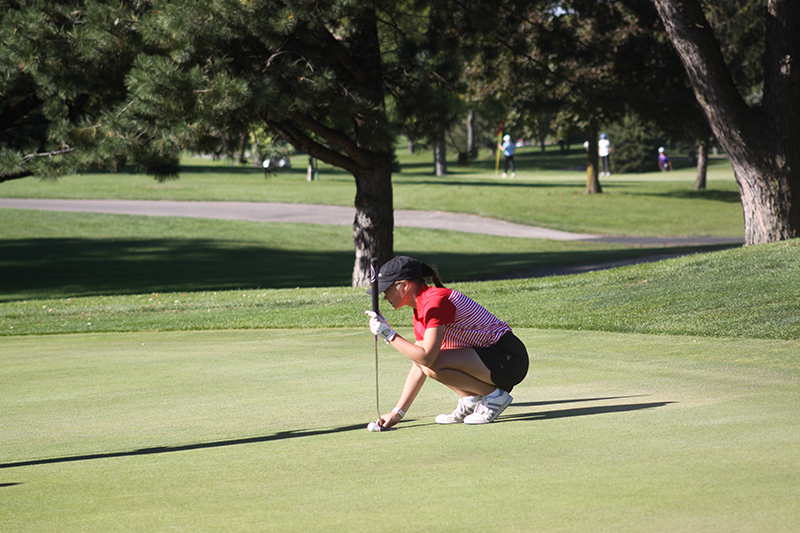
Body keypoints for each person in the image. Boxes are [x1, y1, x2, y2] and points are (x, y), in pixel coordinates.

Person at [365, 256, 529, 428]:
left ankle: (494, 396)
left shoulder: (435, 301)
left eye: (387, 290)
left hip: (508, 359)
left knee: (431, 362)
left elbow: (427, 358)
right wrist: (398, 412)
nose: (384, 297)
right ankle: (472, 399)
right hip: (488, 361)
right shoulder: (420, 309)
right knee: (425, 361)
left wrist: (388, 334)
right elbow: (418, 363)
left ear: (405, 285)